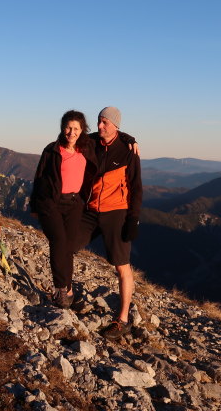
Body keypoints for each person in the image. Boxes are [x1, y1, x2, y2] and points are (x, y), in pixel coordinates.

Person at [76, 106, 142, 340]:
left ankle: (123, 319)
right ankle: (65, 294)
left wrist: (133, 218)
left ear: (115, 125)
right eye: (99, 121)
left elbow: (136, 186)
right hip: (91, 209)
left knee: (121, 265)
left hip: (117, 211)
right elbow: (69, 137)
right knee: (66, 245)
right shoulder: (92, 142)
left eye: (105, 122)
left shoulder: (127, 150)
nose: (100, 126)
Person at [30, 110, 97, 308]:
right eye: (68, 127)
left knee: (68, 247)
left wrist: (131, 140)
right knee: (58, 241)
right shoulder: (52, 150)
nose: (71, 132)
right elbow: (39, 177)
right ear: (62, 127)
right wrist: (34, 205)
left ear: (82, 130)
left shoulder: (86, 148)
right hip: (52, 203)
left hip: (75, 204)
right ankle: (60, 289)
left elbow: (108, 137)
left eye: (76, 128)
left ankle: (68, 291)